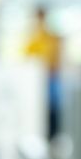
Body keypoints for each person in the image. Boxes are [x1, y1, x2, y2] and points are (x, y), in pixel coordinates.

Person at [25, 7, 62, 139]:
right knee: (40, 112)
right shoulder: (32, 40)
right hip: (38, 83)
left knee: (52, 111)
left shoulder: (52, 38)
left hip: (51, 81)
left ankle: (53, 137)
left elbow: (57, 61)